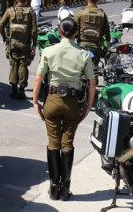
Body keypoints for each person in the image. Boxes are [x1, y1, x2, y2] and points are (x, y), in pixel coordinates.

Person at [33, 17, 96, 201]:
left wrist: (36, 102)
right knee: (67, 144)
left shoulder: (49, 51)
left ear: (60, 32)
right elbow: (92, 83)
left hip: (52, 100)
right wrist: (88, 106)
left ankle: (53, 188)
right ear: (76, 33)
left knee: (53, 143)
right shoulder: (84, 54)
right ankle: (65, 189)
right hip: (72, 103)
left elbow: (38, 79)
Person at [0, 0, 38, 99]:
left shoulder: (10, 11)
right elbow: (34, 30)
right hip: (25, 44)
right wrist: (34, 45)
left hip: (13, 43)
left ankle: (14, 90)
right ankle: (21, 90)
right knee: (23, 65)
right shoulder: (31, 12)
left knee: (14, 65)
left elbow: (1, 25)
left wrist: (5, 39)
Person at [74, 0, 110, 65]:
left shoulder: (81, 13)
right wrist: (107, 44)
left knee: (81, 68)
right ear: (97, 0)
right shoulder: (102, 14)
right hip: (96, 45)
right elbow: (107, 31)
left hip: (82, 44)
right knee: (94, 70)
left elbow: (74, 28)